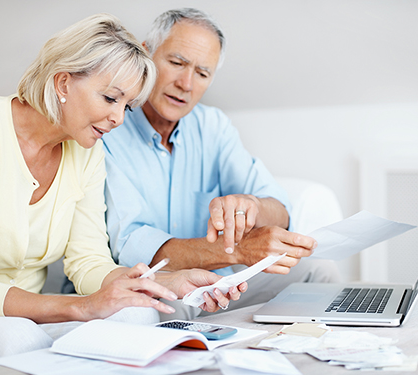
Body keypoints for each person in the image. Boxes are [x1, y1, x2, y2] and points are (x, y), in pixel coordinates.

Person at [0, 13, 246, 370]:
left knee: (135, 315)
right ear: (63, 83)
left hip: (31, 315)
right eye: (110, 98)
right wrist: (79, 308)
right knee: (15, 337)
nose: (119, 119)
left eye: (126, 106)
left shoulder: (85, 150)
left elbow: (88, 261)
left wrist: (165, 282)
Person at [103, 8, 340, 320]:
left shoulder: (212, 125)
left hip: (213, 286)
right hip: (147, 285)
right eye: (176, 63)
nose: (186, 84)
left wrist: (253, 204)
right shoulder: (108, 126)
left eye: (202, 73)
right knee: (163, 307)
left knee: (319, 269)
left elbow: (281, 208)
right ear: (146, 54)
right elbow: (130, 246)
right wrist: (239, 251)